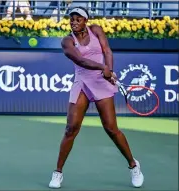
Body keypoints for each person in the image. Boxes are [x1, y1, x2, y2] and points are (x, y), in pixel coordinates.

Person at [48, 7, 144, 189]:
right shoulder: (67, 41)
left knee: (111, 129)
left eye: (78, 19)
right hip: (82, 82)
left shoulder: (96, 30)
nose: (74, 22)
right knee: (71, 128)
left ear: (86, 20)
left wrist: (110, 69)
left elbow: (107, 51)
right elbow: (81, 61)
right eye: (72, 19)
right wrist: (102, 68)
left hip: (101, 83)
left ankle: (133, 165)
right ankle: (58, 172)